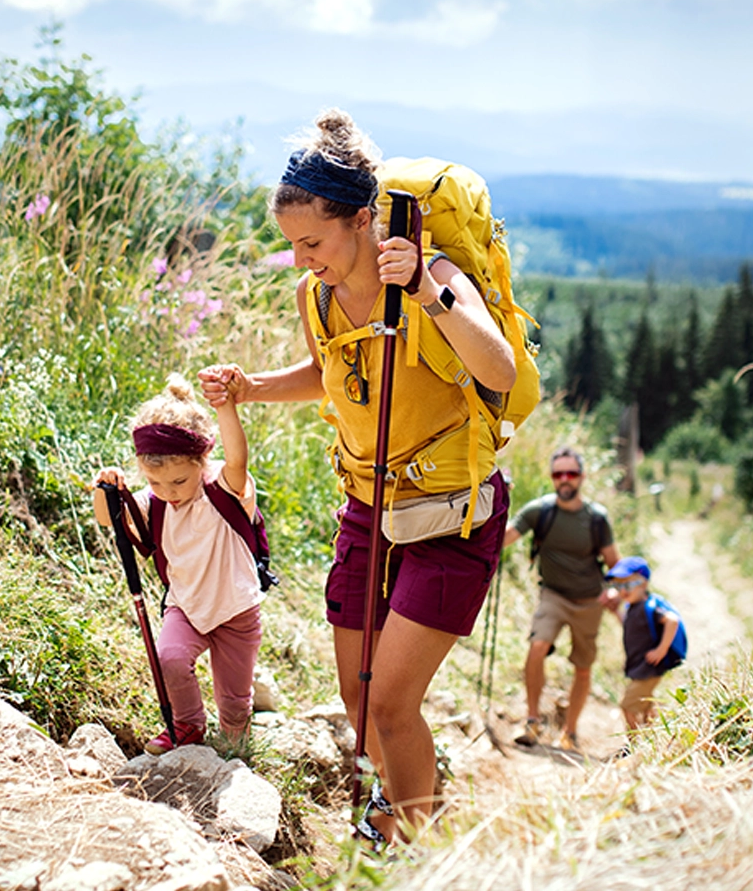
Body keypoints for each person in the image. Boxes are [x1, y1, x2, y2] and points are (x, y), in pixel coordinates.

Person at [200, 109, 516, 844]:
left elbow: (498, 368)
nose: (301, 259)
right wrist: (251, 387)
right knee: (358, 697)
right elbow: (330, 371)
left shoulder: (434, 276)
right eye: (292, 245)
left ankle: (416, 845)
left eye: (312, 242)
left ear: (363, 220)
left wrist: (430, 294)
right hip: (368, 508)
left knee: (392, 704)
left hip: (451, 514)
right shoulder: (317, 295)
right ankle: (398, 814)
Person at [93, 369, 262, 754]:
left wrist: (225, 407)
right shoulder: (154, 502)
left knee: (234, 701)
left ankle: (236, 745)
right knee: (169, 658)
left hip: (236, 609)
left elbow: (238, 458)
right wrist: (106, 488)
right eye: (155, 482)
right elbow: (108, 519)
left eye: (179, 482)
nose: (168, 492)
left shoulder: (223, 489)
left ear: (203, 461)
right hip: (185, 604)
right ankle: (188, 725)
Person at [501, 446, 620, 751]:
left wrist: (615, 590)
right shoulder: (539, 511)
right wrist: (497, 502)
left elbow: (615, 565)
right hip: (553, 595)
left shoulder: (596, 518)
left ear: (582, 477)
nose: (565, 479)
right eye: (558, 474)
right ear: (552, 477)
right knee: (537, 646)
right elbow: (504, 538)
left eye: (571, 473)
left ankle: (570, 732)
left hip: (589, 601)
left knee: (583, 667)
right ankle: (532, 721)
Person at [605, 556, 681, 733]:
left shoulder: (649, 607)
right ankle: (653, 733)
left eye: (628, 585)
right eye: (618, 586)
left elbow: (672, 620)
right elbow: (629, 626)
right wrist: (616, 612)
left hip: (649, 667)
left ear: (644, 584)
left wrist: (661, 650)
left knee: (627, 706)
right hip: (640, 666)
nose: (623, 591)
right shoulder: (633, 607)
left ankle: (635, 741)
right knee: (646, 704)